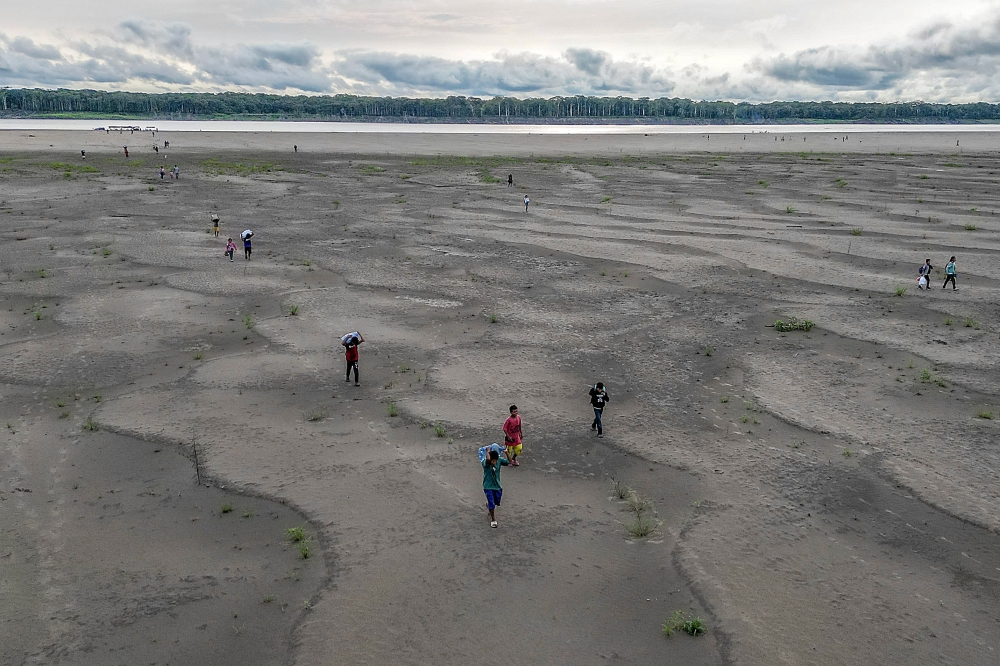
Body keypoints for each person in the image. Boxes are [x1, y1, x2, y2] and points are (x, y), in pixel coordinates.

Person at [481, 447, 509, 528]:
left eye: (496, 461)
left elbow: (510, 462)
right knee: (492, 504)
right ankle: (493, 520)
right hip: (488, 486)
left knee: (497, 502)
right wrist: (488, 451)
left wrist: (506, 452)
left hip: (497, 486)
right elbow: (488, 460)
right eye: (493, 461)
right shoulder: (486, 463)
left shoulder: (499, 460)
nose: (495, 462)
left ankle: (489, 505)